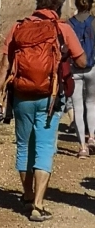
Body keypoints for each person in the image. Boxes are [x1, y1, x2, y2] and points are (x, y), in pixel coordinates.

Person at [0, 0, 87, 221]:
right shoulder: (61, 28)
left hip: (21, 96)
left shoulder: (18, 27)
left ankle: (27, 195)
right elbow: (82, 61)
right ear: (58, 7)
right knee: (44, 147)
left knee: (24, 145)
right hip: (50, 97)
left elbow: (4, 65)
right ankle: (38, 205)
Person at [69, 0, 95, 159]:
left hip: (74, 69)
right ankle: (92, 137)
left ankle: (82, 148)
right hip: (92, 68)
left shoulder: (69, 24)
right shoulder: (94, 22)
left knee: (77, 107)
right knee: (92, 103)